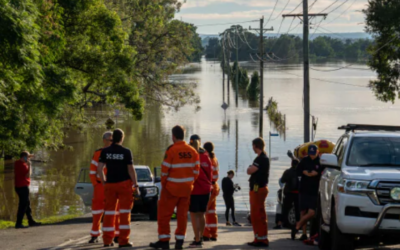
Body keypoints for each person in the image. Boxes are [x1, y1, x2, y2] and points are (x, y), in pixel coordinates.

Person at [150, 126, 200, 250]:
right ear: (184, 135)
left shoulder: (171, 150)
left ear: (173, 136)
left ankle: (164, 240)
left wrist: (165, 184)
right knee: (182, 216)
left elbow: (164, 171)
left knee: (164, 215)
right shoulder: (193, 151)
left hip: (171, 189)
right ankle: (179, 242)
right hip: (186, 189)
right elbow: (196, 171)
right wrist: (189, 183)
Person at [98, 129, 139, 248]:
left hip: (110, 184)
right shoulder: (126, 152)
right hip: (124, 185)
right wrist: (136, 185)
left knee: (109, 213)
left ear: (112, 138)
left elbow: (99, 168)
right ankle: (123, 241)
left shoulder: (105, 151)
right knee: (124, 213)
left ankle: (107, 240)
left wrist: (104, 181)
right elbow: (131, 170)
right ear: (122, 138)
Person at [88, 131, 120, 244]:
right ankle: (95, 234)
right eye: (110, 140)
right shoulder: (98, 153)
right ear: (104, 140)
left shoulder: (117, 152)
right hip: (100, 186)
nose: (112, 142)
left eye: (113, 140)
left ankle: (115, 234)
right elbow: (92, 171)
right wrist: (96, 185)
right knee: (97, 212)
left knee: (114, 212)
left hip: (112, 185)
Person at [291, 145, 322, 240]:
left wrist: (317, 173)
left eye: (313, 154)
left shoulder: (320, 161)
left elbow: (324, 172)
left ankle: (297, 225)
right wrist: (304, 172)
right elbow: (297, 171)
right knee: (303, 211)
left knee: (312, 212)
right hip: (304, 189)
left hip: (314, 190)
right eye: (310, 154)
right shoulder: (304, 160)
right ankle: (304, 234)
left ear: (317, 152)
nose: (312, 156)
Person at [188, 135, 212, 248]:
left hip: (194, 190)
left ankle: (197, 240)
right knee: (202, 214)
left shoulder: (190, 155)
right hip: (206, 189)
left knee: (193, 215)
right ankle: (201, 237)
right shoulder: (206, 156)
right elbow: (210, 174)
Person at [246, 137, 270, 248]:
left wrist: (249, 168)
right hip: (260, 189)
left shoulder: (260, 159)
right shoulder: (263, 158)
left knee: (256, 215)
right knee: (259, 214)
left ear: (256, 146)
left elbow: (250, 171)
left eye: (253, 146)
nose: (253, 148)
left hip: (258, 190)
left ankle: (260, 239)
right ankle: (260, 237)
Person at [14, 151, 42, 229]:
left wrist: (28, 161)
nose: (29, 158)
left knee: (27, 204)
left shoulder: (17, 163)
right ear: (24, 157)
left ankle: (31, 221)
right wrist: (29, 165)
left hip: (18, 186)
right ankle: (18, 223)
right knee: (23, 205)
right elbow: (28, 175)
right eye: (27, 157)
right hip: (23, 186)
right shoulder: (23, 165)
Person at [203, 142, 220, 241]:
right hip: (214, 186)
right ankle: (214, 234)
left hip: (208, 187)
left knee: (204, 211)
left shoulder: (206, 159)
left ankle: (205, 233)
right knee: (212, 212)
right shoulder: (215, 159)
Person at [280, 159, 300, 230]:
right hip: (298, 193)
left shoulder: (287, 172)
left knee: (285, 208)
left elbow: (282, 180)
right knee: (298, 209)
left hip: (289, 193)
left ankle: (284, 222)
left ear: (291, 164)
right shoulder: (300, 173)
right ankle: (298, 223)